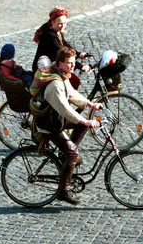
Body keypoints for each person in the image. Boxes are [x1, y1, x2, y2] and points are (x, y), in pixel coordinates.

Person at [34, 46, 102, 205]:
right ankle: (63, 190)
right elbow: (65, 108)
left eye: (73, 62)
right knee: (73, 153)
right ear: (59, 63)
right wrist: (85, 120)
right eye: (69, 63)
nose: (73, 66)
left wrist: (90, 104)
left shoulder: (61, 75)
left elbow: (71, 93)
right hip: (49, 124)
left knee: (81, 126)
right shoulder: (55, 85)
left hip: (56, 118)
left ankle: (66, 156)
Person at [32, 6, 91, 90]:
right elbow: (63, 53)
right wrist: (80, 66)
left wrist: (79, 54)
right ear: (53, 22)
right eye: (60, 23)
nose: (63, 26)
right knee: (72, 82)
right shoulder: (50, 36)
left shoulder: (57, 31)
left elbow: (65, 45)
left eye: (65, 23)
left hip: (52, 64)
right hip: (43, 69)